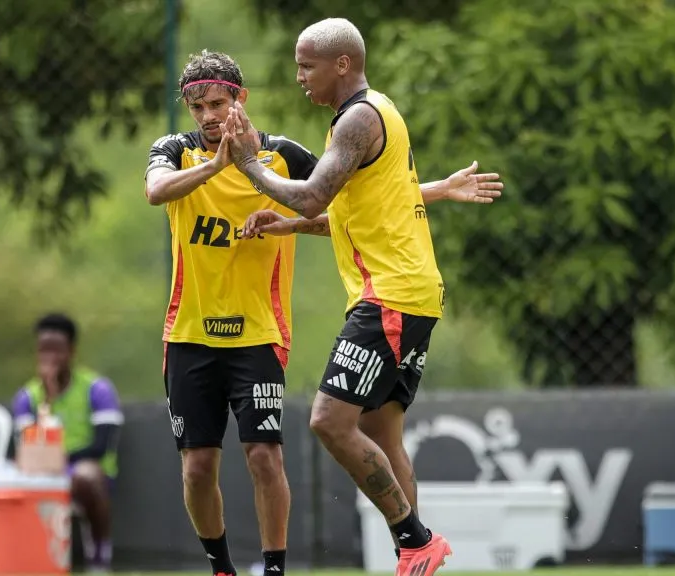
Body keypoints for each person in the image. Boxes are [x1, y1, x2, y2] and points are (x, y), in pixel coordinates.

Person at [144, 50, 501, 576]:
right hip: (188, 333)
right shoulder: (173, 150)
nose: (208, 117)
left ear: (240, 99)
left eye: (218, 103)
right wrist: (221, 166)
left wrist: (435, 191)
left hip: (260, 334)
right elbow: (154, 192)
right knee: (198, 468)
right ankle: (222, 568)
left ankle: (292, 567)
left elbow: (345, 199)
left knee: (270, 456)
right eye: (197, 108)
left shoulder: (284, 154)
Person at [225, 17, 486, 576]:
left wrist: (249, 163)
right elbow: (347, 215)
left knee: (328, 420)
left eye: (307, 65)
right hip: (412, 293)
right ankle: (414, 560)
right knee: (381, 433)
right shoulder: (375, 113)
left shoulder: (359, 120)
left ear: (343, 64)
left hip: (389, 297)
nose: (299, 77)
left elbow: (315, 195)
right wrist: (290, 227)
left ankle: (415, 539)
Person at [12, 313, 123, 573]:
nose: (50, 358)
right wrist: (48, 396)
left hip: (84, 470)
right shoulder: (28, 397)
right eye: (43, 350)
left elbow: (102, 446)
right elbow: (27, 448)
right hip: (38, 471)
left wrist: (58, 461)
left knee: (86, 476)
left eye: (57, 350)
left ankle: (98, 553)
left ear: (71, 351)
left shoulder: (97, 389)